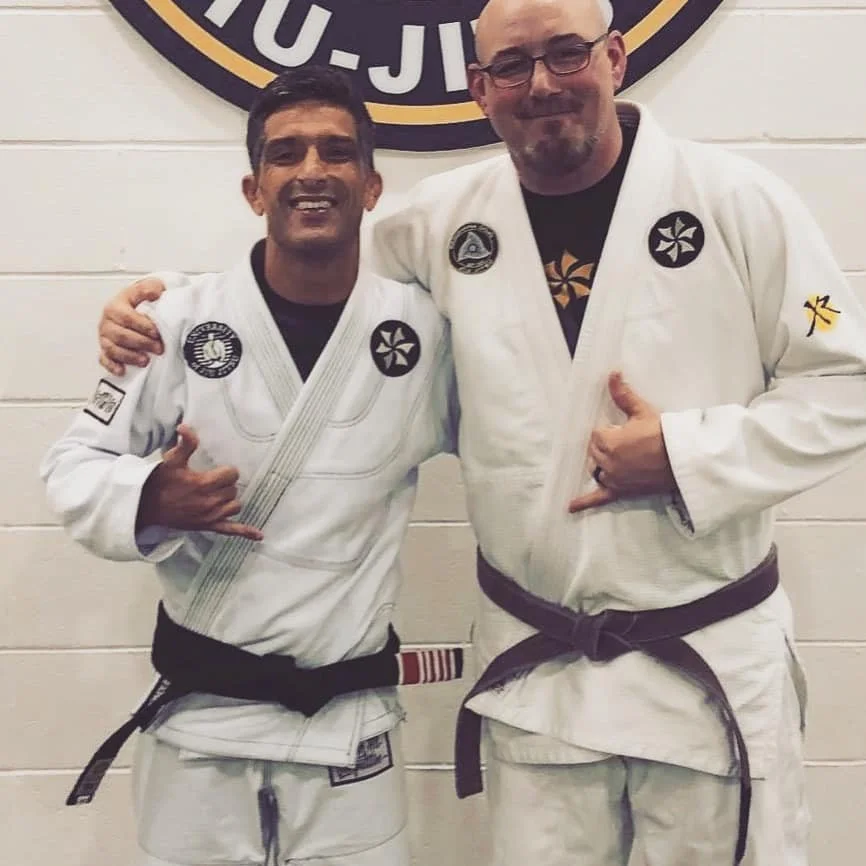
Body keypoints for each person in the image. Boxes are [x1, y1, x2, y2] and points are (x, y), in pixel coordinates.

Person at [94, 0, 866, 862]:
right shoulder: (439, 223)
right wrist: (166, 307)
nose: (541, 84)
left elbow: (846, 378)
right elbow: (306, 265)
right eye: (512, 65)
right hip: (540, 679)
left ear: (615, 58)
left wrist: (690, 457)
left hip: (707, 664)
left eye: (566, 53)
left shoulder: (741, 203)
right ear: (479, 87)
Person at [41, 66, 463, 866]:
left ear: (372, 186)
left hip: (348, 727)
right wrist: (148, 497)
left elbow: (513, 446)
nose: (312, 170)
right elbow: (71, 466)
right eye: (286, 153)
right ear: (254, 188)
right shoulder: (174, 322)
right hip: (201, 726)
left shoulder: (426, 333)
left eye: (337, 152)